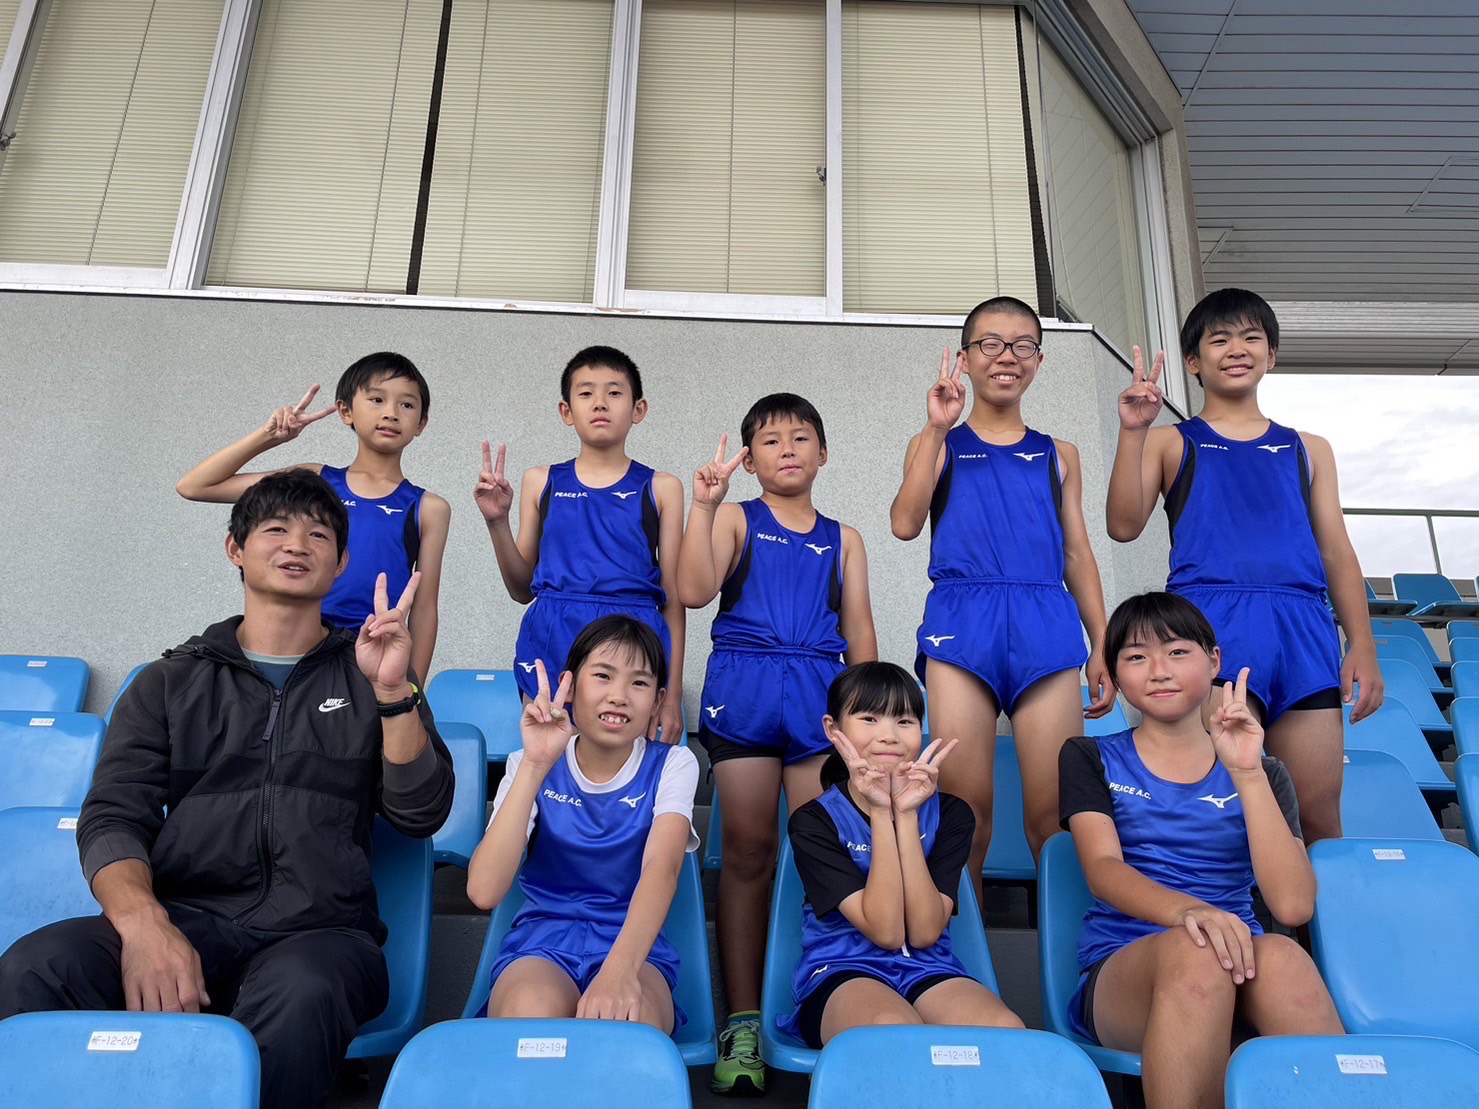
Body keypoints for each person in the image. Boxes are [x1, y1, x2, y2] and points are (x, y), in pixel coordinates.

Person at [0, 469, 455, 1109]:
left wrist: (391, 695)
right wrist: (144, 925)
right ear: (235, 549)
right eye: (276, 529)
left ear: (342, 563)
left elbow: (420, 812)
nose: (296, 544)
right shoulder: (168, 682)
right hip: (187, 917)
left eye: (318, 535)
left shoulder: (373, 675)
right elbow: (113, 818)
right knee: (37, 966)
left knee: (302, 994)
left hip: (321, 933)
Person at [1105, 287, 1383, 842]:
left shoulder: (1309, 448)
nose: (1237, 349)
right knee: (1221, 811)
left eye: (1252, 337)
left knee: (1316, 816)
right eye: (1220, 339)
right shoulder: (1170, 442)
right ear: (1193, 361)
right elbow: (1123, 525)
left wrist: (1363, 643)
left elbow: (1336, 551)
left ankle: (1307, 906)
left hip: (1303, 626)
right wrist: (1132, 431)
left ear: (1271, 354)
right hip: (1213, 625)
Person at [1058, 591, 1344, 1109]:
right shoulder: (1089, 756)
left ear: (1214, 661)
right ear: (1116, 675)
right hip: (1126, 969)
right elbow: (1102, 868)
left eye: (1177, 652)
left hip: (1240, 959)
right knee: (1197, 953)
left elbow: (1293, 905)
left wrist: (1246, 772)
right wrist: (1193, 913)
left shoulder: (1264, 770)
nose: (1159, 671)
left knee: (1284, 956)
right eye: (1136, 657)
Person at [679, 393, 877, 1096]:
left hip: (819, 697)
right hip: (745, 689)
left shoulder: (845, 538)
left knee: (820, 851)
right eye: (769, 440)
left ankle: (816, 996)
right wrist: (703, 506)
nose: (786, 449)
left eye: (800, 437)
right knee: (748, 851)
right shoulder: (736, 517)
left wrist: (866, 723)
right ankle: (741, 1019)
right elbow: (693, 589)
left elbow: (860, 633)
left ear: (823, 453)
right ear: (749, 458)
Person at [889, 296, 1115, 881]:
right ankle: (961, 942)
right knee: (965, 816)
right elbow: (904, 524)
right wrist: (936, 428)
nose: (1006, 356)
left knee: (1055, 817)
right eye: (990, 343)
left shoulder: (1060, 454)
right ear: (965, 358)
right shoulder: (936, 442)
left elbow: (1076, 553)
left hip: (1046, 622)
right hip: (963, 623)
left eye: (1022, 345)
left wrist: (1102, 641)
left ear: (1039, 360)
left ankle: (1073, 944)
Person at [466, 616, 699, 1032]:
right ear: (570, 686)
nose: (619, 696)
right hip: (541, 944)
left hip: (635, 948)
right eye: (603, 676)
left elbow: (662, 868)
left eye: (639, 683)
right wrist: (536, 764)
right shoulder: (527, 763)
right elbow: (484, 891)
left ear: (658, 700)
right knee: (530, 1013)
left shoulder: (674, 764)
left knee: (629, 1023)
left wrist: (620, 971)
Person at [783, 661, 1023, 1048]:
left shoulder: (952, 815)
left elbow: (925, 932)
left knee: (1007, 1035)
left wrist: (906, 814)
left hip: (930, 969)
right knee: (895, 1035)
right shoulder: (814, 822)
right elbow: (886, 931)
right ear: (833, 728)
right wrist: (881, 812)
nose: (889, 736)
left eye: (905, 721)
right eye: (869, 718)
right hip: (843, 971)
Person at [176, 351, 450, 684]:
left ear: (421, 423)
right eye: (377, 399)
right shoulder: (317, 480)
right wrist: (269, 437)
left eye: (406, 404)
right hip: (298, 648)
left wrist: (411, 689)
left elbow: (424, 608)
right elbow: (195, 486)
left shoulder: (429, 507)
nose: (391, 413)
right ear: (345, 411)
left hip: (371, 657)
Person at [475, 345, 686, 745]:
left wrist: (672, 695)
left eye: (614, 392)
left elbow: (673, 600)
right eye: (586, 392)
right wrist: (497, 522)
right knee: (550, 757)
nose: (600, 402)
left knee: (625, 768)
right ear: (566, 411)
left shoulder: (662, 488)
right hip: (553, 632)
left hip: (633, 638)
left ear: (638, 409)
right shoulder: (541, 481)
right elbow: (521, 589)